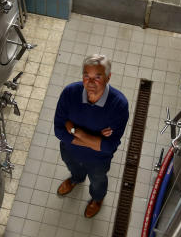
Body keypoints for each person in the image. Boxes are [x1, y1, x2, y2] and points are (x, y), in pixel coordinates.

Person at [53, 53, 129, 218]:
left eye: (98, 77)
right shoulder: (69, 93)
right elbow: (59, 130)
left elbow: (109, 146)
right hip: (69, 150)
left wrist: (75, 131)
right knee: (73, 167)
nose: (91, 82)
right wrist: (95, 139)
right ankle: (76, 179)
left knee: (98, 180)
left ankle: (97, 198)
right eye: (86, 76)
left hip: (98, 160)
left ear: (108, 78)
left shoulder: (119, 105)